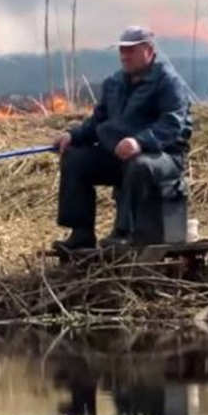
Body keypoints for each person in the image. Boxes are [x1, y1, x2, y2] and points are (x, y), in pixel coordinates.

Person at [53, 26, 192, 250]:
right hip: (120, 156)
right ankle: (81, 234)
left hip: (163, 157)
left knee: (138, 164)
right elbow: (98, 121)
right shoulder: (115, 83)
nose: (124, 56)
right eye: (122, 51)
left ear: (148, 50)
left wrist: (141, 142)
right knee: (75, 160)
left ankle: (124, 233)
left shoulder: (169, 82)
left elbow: (172, 124)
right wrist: (73, 135)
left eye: (131, 51)